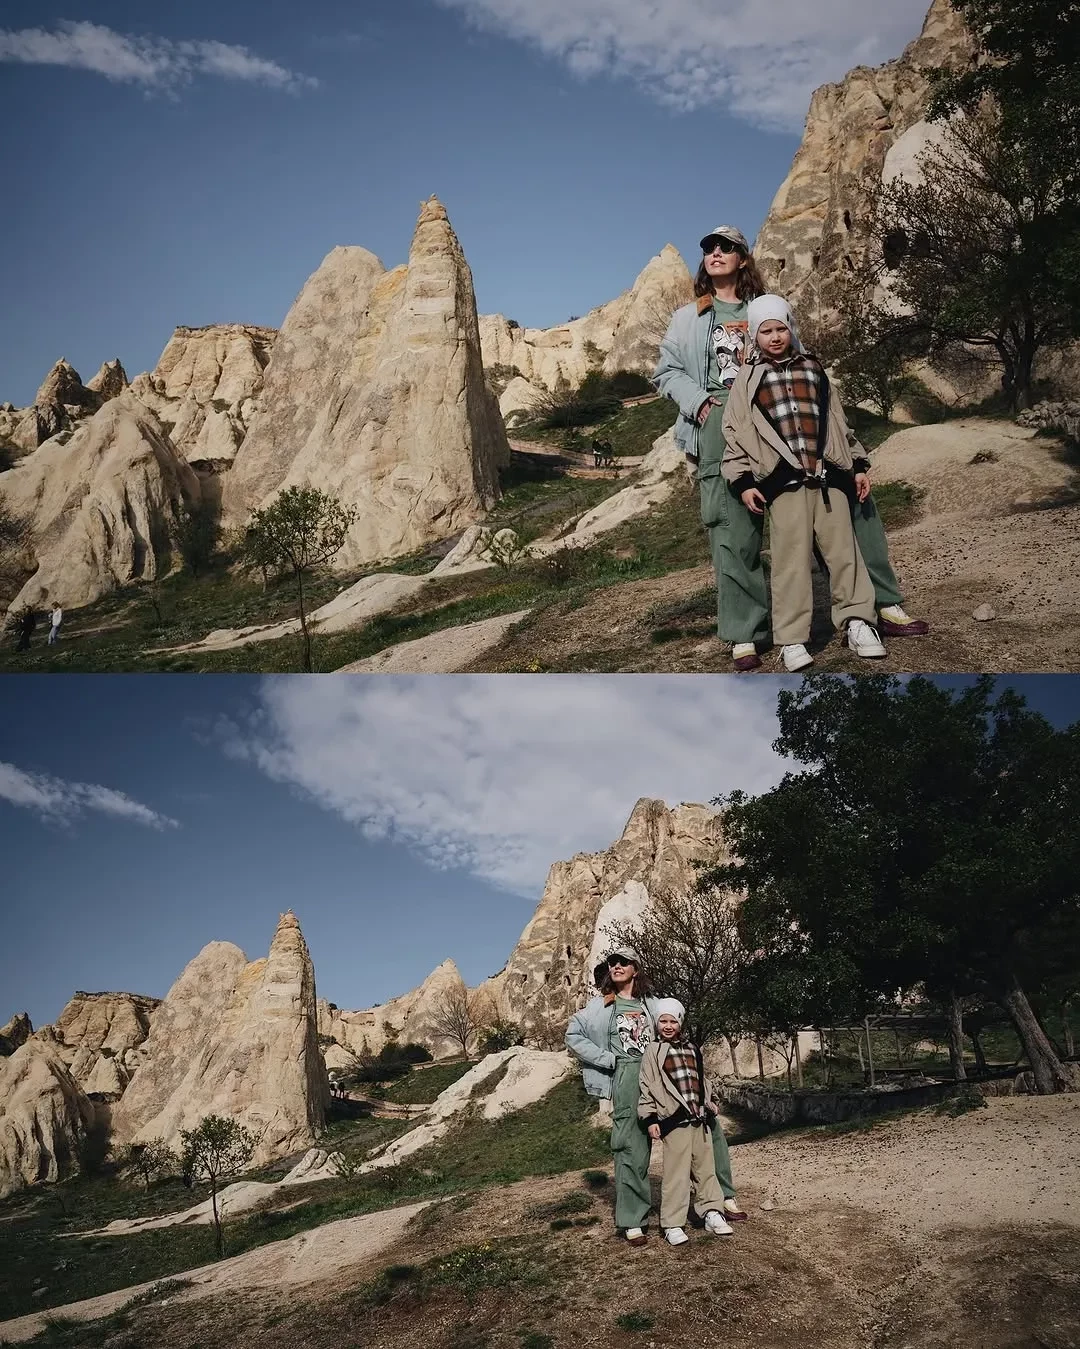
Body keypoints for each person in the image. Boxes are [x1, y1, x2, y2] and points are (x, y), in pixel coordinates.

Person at [654, 224, 928, 671]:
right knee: (734, 531)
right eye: (709, 247)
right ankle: (746, 631)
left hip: (785, 418)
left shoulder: (767, 308)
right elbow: (665, 372)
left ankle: (881, 603)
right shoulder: (689, 317)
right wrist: (699, 402)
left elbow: (803, 367)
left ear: (743, 257)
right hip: (719, 419)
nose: (716, 252)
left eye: (727, 246)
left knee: (850, 508)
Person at [722, 295, 888, 669]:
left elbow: (838, 421)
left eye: (781, 328)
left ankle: (858, 622)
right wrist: (743, 481)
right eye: (766, 331)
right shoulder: (747, 379)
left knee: (844, 555)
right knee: (790, 563)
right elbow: (735, 433)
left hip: (829, 479)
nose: (775, 337)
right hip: (783, 487)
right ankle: (792, 639)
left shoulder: (813, 368)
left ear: (791, 329)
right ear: (754, 335)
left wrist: (857, 464)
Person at [565, 947, 746, 1246]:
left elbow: (672, 1024)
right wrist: (606, 1059)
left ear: (635, 969)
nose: (617, 966)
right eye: (613, 962)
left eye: (624, 962)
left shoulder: (652, 1003)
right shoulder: (600, 1006)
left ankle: (722, 1198)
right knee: (631, 1147)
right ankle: (633, 1219)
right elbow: (573, 1035)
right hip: (627, 1077)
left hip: (664, 1072)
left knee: (708, 1130)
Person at [638, 999, 730, 1245]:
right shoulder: (653, 1051)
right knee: (676, 1175)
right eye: (663, 1021)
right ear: (656, 1023)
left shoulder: (692, 1047)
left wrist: (710, 1102)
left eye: (673, 1021)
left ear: (680, 1023)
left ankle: (712, 1212)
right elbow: (647, 1086)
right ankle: (672, 1223)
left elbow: (701, 1080)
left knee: (705, 1169)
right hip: (674, 1121)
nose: (668, 1026)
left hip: (698, 1118)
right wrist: (650, 1118)